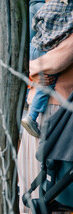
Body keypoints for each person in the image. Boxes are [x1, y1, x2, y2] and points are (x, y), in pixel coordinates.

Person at [18, 0, 73, 214]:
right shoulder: (49, 19)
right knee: (27, 170)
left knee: (47, 177)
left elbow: (52, 63)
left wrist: (31, 66)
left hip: (57, 111)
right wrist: (34, 67)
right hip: (39, 106)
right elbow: (34, 65)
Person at [21, 0, 71, 138]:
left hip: (36, 48)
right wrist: (32, 72)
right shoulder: (67, 13)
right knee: (48, 81)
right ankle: (31, 117)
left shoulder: (42, 8)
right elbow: (55, 64)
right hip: (55, 104)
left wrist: (29, 70)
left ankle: (27, 106)